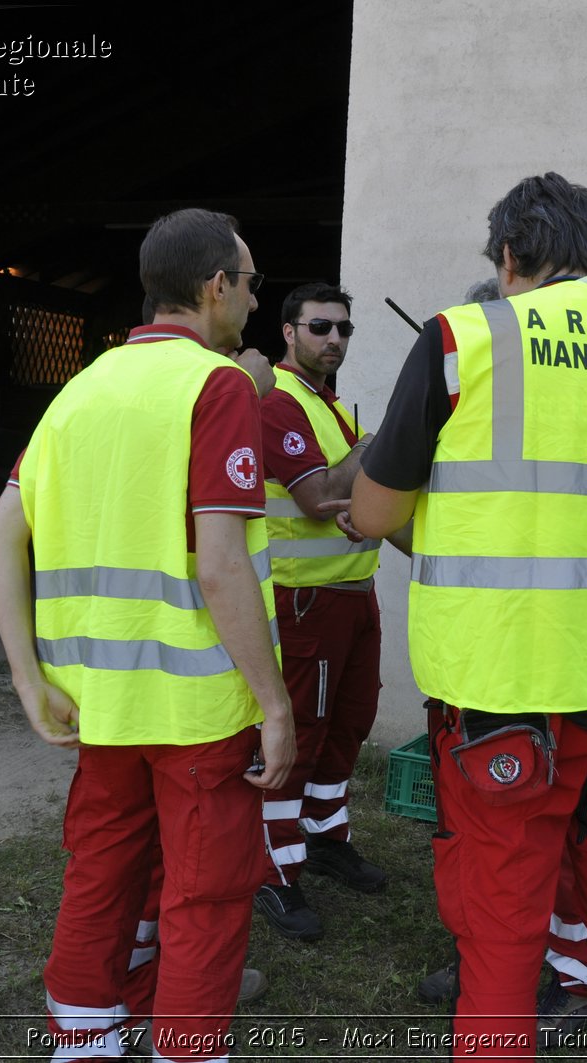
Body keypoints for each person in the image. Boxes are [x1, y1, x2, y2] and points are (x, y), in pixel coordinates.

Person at [350, 173, 587, 1061]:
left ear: (508, 256)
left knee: (505, 923)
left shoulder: (459, 340)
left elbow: (372, 515)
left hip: (504, 687)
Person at [0, 208, 294, 1062]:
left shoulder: (80, 387)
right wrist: (274, 703)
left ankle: (83, 1040)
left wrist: (27, 680)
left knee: (101, 870)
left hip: (98, 702)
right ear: (214, 287)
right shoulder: (218, 384)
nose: (258, 300)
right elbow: (220, 565)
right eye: (253, 281)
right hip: (197, 708)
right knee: (207, 894)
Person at [415, 280, 587, 1043]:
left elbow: (382, 507)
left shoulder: (475, 365)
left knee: (537, 856)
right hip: (540, 660)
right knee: (526, 854)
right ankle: (525, 963)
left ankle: (561, 972)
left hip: (523, 665)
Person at [252, 282, 401, 941]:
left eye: (344, 329)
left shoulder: (329, 407)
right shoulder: (280, 403)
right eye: (320, 327)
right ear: (289, 331)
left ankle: (323, 835)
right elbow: (321, 498)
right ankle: (273, 869)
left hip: (352, 595)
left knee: (348, 726)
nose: (334, 339)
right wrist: (399, 429)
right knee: (303, 734)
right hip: (304, 602)